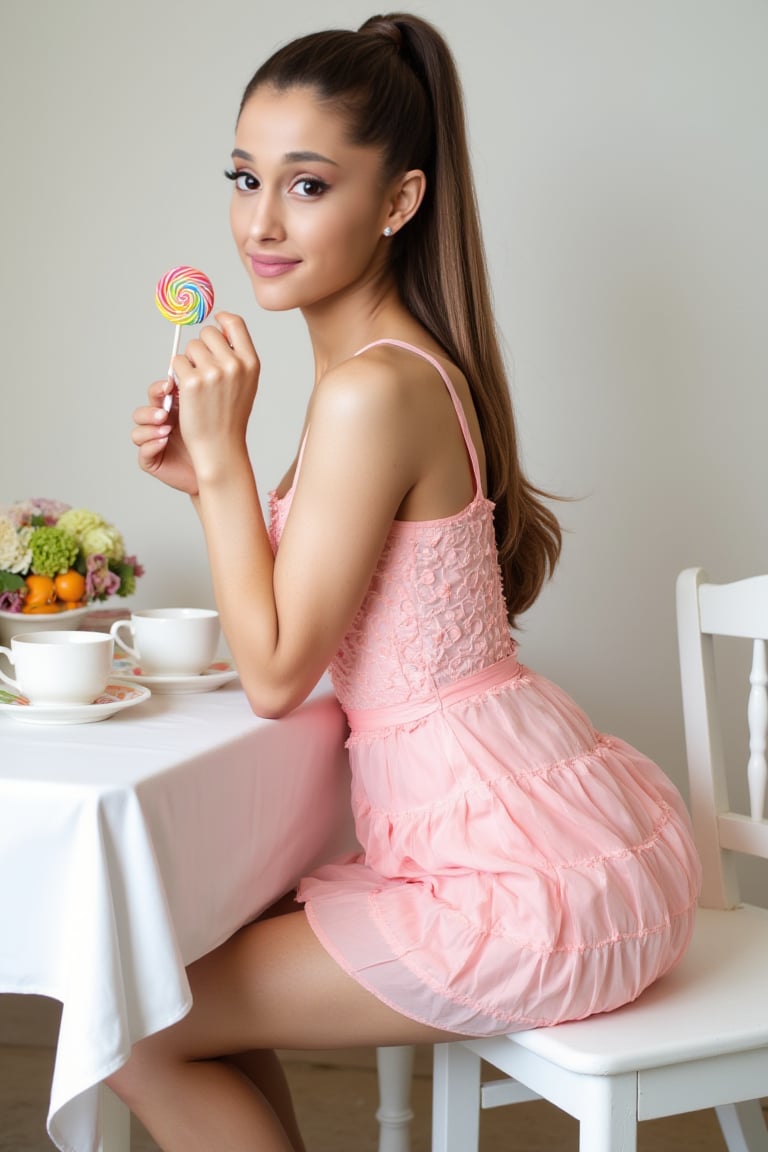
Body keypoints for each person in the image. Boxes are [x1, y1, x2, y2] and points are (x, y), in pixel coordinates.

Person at [115, 12, 701, 1150]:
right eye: (244, 177)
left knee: (139, 1025)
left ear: (398, 201)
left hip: (511, 878)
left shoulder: (368, 390)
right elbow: (294, 624)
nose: (260, 222)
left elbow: (279, 674)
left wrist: (229, 465)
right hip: (526, 828)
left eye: (307, 185)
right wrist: (207, 482)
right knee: (186, 1001)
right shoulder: (387, 369)